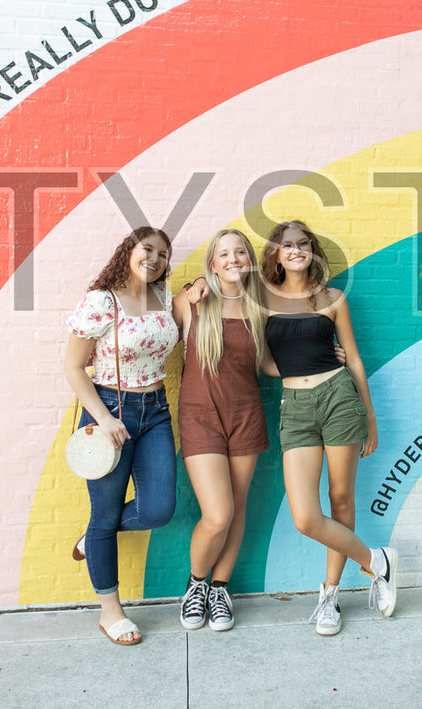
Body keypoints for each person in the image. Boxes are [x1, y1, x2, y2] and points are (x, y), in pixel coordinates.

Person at [262, 220, 398, 635]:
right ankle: (378, 562)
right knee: (306, 516)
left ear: (312, 251)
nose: (297, 250)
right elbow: (261, 362)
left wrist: (370, 415)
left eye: (304, 244)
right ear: (276, 254)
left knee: (341, 500)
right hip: (296, 409)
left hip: (339, 398)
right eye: (288, 245)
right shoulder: (262, 302)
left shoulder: (332, 298)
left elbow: (353, 359)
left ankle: (329, 597)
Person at [63, 226, 180, 646]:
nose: (155, 259)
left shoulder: (164, 298)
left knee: (158, 510)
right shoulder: (101, 302)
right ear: (128, 251)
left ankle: (92, 537)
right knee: (105, 515)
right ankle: (110, 611)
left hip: (156, 412)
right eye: (147, 250)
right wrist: (104, 417)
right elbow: (75, 368)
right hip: (109, 412)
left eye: (163, 255)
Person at [172, 229, 271, 632]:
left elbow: (267, 366)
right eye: (224, 254)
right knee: (219, 514)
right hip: (199, 415)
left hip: (246, 414)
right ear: (212, 264)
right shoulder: (192, 301)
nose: (233, 259)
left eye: (240, 252)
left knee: (238, 508)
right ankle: (195, 586)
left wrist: (319, 363)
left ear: (249, 260)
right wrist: (193, 285)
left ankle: (219, 588)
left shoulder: (261, 308)